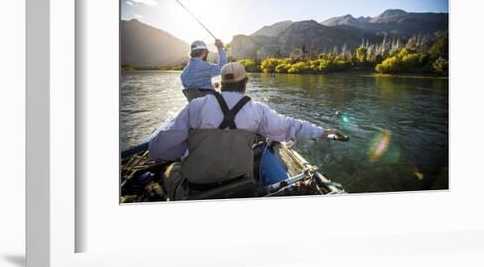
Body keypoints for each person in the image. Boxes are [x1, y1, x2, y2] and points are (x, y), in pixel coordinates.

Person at [147, 62, 346, 199]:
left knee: (171, 171)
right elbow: (291, 125)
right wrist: (323, 131)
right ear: (245, 83)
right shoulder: (258, 111)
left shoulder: (196, 106)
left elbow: (157, 148)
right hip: (241, 184)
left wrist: (188, 149)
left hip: (198, 190)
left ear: (220, 84)